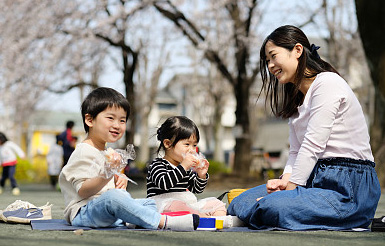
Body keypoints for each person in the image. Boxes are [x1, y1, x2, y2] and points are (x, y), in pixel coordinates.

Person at [227, 25, 381, 230]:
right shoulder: (298, 100)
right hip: (313, 181)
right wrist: (285, 180)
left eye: (273, 56)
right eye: (267, 61)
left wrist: (289, 192)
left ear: (297, 50)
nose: (271, 65)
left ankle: (259, 213)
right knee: (239, 201)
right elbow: (296, 151)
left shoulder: (327, 84)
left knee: (272, 206)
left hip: (348, 189)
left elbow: (313, 145)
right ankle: (257, 213)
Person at [59, 87, 199, 231]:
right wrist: (108, 173)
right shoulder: (83, 151)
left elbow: (105, 186)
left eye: (122, 120)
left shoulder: (106, 151)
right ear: (90, 120)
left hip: (106, 211)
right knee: (114, 198)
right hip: (84, 212)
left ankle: (132, 219)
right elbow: (83, 191)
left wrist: (118, 179)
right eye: (110, 118)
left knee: (149, 204)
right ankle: (163, 222)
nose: (117, 125)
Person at [146, 116, 227, 217]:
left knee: (216, 203)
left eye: (194, 145)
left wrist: (201, 175)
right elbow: (164, 183)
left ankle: (219, 219)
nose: (192, 150)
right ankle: (203, 218)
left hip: (186, 205)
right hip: (163, 206)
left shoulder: (186, 168)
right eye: (187, 144)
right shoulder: (158, 164)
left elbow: (197, 189)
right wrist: (183, 166)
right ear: (168, 144)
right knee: (178, 206)